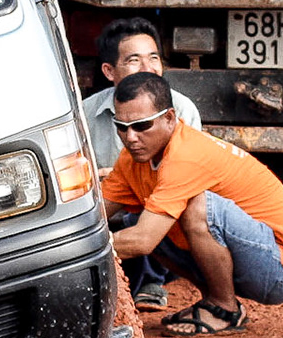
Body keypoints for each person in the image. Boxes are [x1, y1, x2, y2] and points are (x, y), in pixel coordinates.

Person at [103, 71, 283, 336]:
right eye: (121, 127)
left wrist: (75, 252)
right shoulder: (131, 159)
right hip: (254, 257)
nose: (130, 137)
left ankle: (225, 310)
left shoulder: (185, 156)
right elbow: (98, 213)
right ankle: (213, 301)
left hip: (281, 271)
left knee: (194, 208)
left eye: (142, 126)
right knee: (136, 220)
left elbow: (143, 241)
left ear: (169, 118)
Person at [82, 18, 203, 309]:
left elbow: (189, 176)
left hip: (153, 213)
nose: (148, 68)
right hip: (108, 210)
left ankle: (152, 281)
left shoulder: (182, 109)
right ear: (109, 71)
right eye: (134, 60)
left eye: (154, 58)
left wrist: (131, 179)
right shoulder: (86, 113)